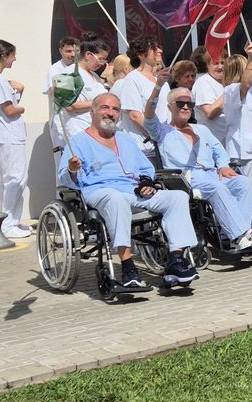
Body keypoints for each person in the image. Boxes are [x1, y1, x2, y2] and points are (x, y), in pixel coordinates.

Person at [59, 93, 199, 289]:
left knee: (178, 197)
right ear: (92, 112)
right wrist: (72, 169)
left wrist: (146, 183)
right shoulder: (78, 142)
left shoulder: (125, 139)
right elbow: (64, 178)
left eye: (115, 109)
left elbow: (145, 168)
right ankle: (127, 266)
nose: (110, 113)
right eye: (105, 108)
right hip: (101, 190)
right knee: (116, 199)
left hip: (133, 191)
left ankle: (176, 260)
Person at [144, 73, 252, 255]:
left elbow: (218, 150)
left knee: (242, 182)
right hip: (186, 178)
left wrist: (223, 165)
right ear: (170, 106)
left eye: (189, 104)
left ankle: (240, 234)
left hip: (211, 174)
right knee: (216, 187)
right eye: (180, 104)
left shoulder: (201, 129)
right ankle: (241, 235)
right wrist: (158, 86)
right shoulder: (162, 131)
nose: (186, 107)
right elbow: (149, 114)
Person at [0, 40, 29, 239]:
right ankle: (8, 224)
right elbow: (9, 110)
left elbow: (7, 106)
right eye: (12, 55)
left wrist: (19, 90)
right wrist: (22, 108)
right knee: (15, 179)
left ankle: (7, 221)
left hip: (4, 134)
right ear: (4, 56)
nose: (14, 59)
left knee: (6, 179)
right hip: (8, 135)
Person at [112, 36, 168, 161]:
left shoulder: (161, 80)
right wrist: (156, 135)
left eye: (159, 47)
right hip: (143, 149)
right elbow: (134, 115)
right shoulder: (132, 79)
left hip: (163, 147)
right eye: (154, 48)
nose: (160, 51)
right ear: (141, 55)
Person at [221, 49, 252, 181]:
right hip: (242, 153)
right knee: (248, 191)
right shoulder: (232, 89)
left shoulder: (245, 94)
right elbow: (246, 83)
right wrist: (251, 57)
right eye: (248, 68)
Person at [59, 33, 111, 141]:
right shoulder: (67, 73)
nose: (102, 64)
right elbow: (70, 106)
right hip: (79, 132)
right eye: (101, 59)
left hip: (98, 132)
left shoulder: (95, 76)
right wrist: (102, 103)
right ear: (88, 55)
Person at [44, 36, 79, 166]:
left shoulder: (79, 69)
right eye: (68, 51)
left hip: (77, 123)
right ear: (60, 51)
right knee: (63, 162)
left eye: (75, 51)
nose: (72, 55)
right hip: (60, 124)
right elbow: (54, 92)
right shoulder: (55, 70)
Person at [191, 48, 227, 138]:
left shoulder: (226, 82)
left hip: (229, 139)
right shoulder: (203, 82)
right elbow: (210, 113)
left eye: (223, 63)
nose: (220, 67)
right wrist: (228, 90)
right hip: (213, 140)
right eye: (216, 63)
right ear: (207, 65)